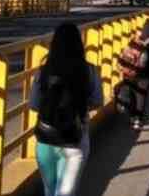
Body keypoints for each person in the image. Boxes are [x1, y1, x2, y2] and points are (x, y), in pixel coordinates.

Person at [29, 23, 103, 196]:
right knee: (65, 193)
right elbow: (97, 101)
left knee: (49, 190)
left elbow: (33, 105)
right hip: (75, 137)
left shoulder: (44, 71)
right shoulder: (89, 70)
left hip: (46, 138)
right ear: (79, 43)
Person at [117, 19, 149, 130]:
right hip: (144, 75)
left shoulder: (136, 39)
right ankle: (138, 120)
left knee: (131, 94)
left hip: (129, 73)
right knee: (141, 96)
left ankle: (132, 117)